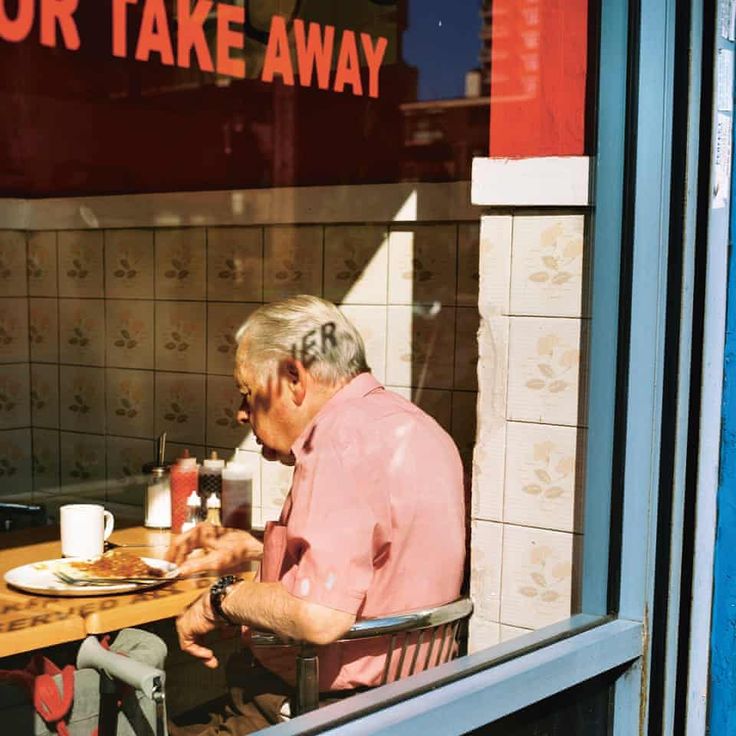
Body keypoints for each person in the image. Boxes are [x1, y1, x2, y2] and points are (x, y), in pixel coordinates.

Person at [166, 295, 466, 734]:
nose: (242, 412)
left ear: (293, 377)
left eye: (248, 393)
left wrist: (220, 601)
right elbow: (380, 557)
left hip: (326, 710)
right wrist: (256, 548)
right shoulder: (414, 426)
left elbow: (317, 614)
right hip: (413, 702)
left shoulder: (339, 443)